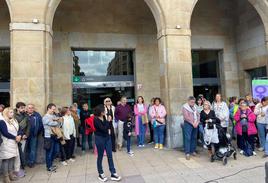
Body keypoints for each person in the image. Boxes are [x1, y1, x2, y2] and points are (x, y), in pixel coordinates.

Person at [93, 104, 121, 182]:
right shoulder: (96, 119)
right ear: (100, 112)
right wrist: (108, 122)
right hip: (100, 139)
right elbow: (104, 129)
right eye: (103, 110)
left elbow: (108, 127)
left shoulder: (104, 117)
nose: (105, 111)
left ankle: (113, 173)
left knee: (110, 155)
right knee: (100, 156)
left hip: (107, 138)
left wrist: (108, 123)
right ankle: (100, 173)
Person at [0, 107, 23, 183]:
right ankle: (5, 177)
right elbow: (5, 133)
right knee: (6, 159)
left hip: (14, 142)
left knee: (12, 158)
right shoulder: (2, 121)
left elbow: (19, 129)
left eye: (12, 112)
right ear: (6, 113)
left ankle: (11, 174)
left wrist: (19, 135)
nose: (12, 114)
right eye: (10, 112)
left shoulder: (14, 120)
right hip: (6, 143)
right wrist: (15, 137)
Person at [42, 103, 62, 172]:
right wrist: (57, 121)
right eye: (53, 109)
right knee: (49, 152)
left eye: (54, 109)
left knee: (56, 151)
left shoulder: (53, 116)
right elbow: (52, 123)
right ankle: (49, 166)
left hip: (55, 136)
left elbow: (60, 123)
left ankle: (51, 163)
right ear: (49, 109)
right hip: (48, 137)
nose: (54, 110)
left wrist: (57, 120)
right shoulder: (45, 117)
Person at [26, 104, 43, 168]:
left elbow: (41, 124)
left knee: (32, 149)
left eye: (32, 108)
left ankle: (31, 162)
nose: (31, 109)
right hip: (25, 136)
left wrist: (37, 132)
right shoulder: (25, 115)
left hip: (34, 135)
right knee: (24, 150)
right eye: (29, 108)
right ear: (27, 109)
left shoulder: (37, 115)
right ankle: (23, 162)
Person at [14, 102, 28, 176]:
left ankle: (22, 168)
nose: (23, 109)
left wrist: (26, 134)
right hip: (16, 137)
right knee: (17, 154)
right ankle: (17, 169)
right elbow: (15, 127)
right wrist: (20, 135)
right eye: (22, 108)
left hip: (24, 137)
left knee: (22, 153)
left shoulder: (25, 115)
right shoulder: (13, 115)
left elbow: (28, 126)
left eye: (24, 108)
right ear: (17, 108)